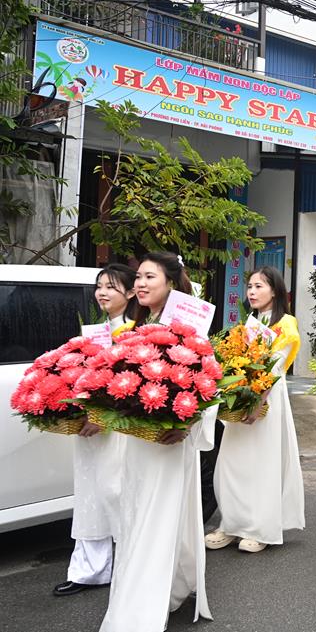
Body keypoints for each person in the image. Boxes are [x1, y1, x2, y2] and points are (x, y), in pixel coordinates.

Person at [101, 252, 214, 631]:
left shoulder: (188, 329)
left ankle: (144, 602)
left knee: (157, 516)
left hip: (169, 440)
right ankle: (166, 587)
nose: (141, 283)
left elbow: (208, 384)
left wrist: (186, 425)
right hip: (138, 441)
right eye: (139, 277)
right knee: (136, 513)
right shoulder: (135, 328)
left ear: (171, 282)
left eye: (150, 277)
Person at [206, 267, 304, 554]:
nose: (251, 291)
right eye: (249, 286)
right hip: (242, 398)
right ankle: (231, 524)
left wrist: (258, 402)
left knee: (262, 464)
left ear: (275, 290)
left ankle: (260, 528)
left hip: (267, 399)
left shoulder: (286, 324)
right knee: (232, 463)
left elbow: (275, 367)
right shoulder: (249, 323)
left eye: (259, 286)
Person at [53, 265, 136, 598]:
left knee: (117, 494)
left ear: (130, 293)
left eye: (111, 287)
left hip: (120, 429)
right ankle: (89, 570)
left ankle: (131, 568)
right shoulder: (93, 331)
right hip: (89, 428)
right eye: (99, 286)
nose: (102, 292)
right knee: (89, 495)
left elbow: (132, 386)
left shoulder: (135, 332)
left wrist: (104, 416)